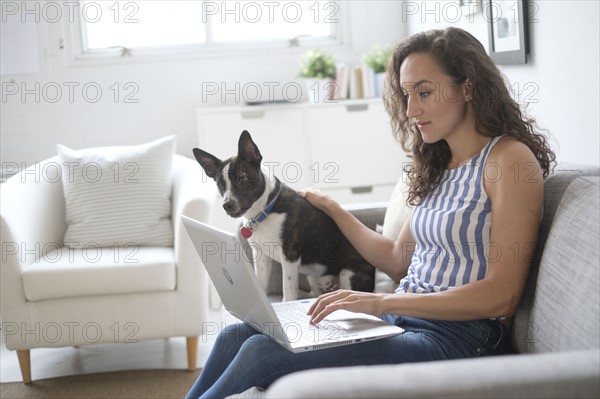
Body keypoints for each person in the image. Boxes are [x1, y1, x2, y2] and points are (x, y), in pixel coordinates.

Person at [185, 27, 555, 399]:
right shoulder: (444, 165)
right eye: (408, 94)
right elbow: (397, 260)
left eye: (424, 92)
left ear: (468, 88)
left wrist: (381, 302)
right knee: (236, 333)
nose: (411, 110)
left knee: (261, 352)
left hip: (459, 339)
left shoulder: (508, 161)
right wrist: (332, 208)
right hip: (401, 322)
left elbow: (503, 295)